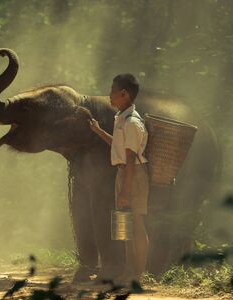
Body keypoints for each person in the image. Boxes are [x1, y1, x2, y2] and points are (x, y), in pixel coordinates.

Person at [88, 73, 149, 283]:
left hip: (133, 174)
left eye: (112, 92)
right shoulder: (121, 118)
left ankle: (138, 274)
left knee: (136, 223)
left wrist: (125, 189)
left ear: (124, 93)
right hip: (124, 172)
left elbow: (131, 158)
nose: (109, 96)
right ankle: (128, 271)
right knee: (124, 224)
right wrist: (98, 131)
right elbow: (120, 148)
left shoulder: (132, 122)